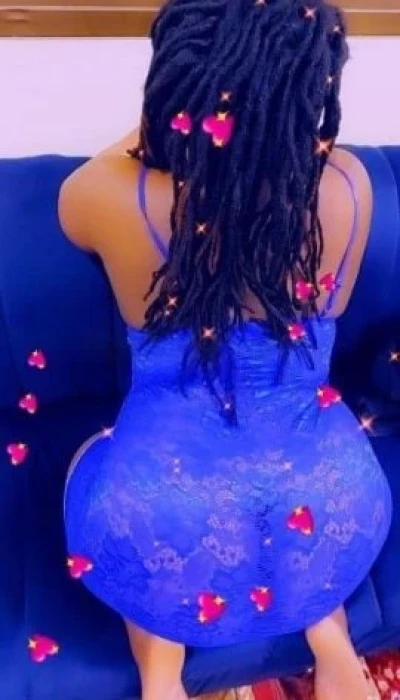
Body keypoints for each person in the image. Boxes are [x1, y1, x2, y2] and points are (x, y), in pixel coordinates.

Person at [59, 1, 392, 699]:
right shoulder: (352, 187)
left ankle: (161, 672)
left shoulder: (111, 197)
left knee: (100, 470)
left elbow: (77, 198)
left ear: (176, 87)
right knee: (291, 508)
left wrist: (179, 124)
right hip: (334, 501)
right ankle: (330, 638)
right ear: (312, 90)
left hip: (168, 510)